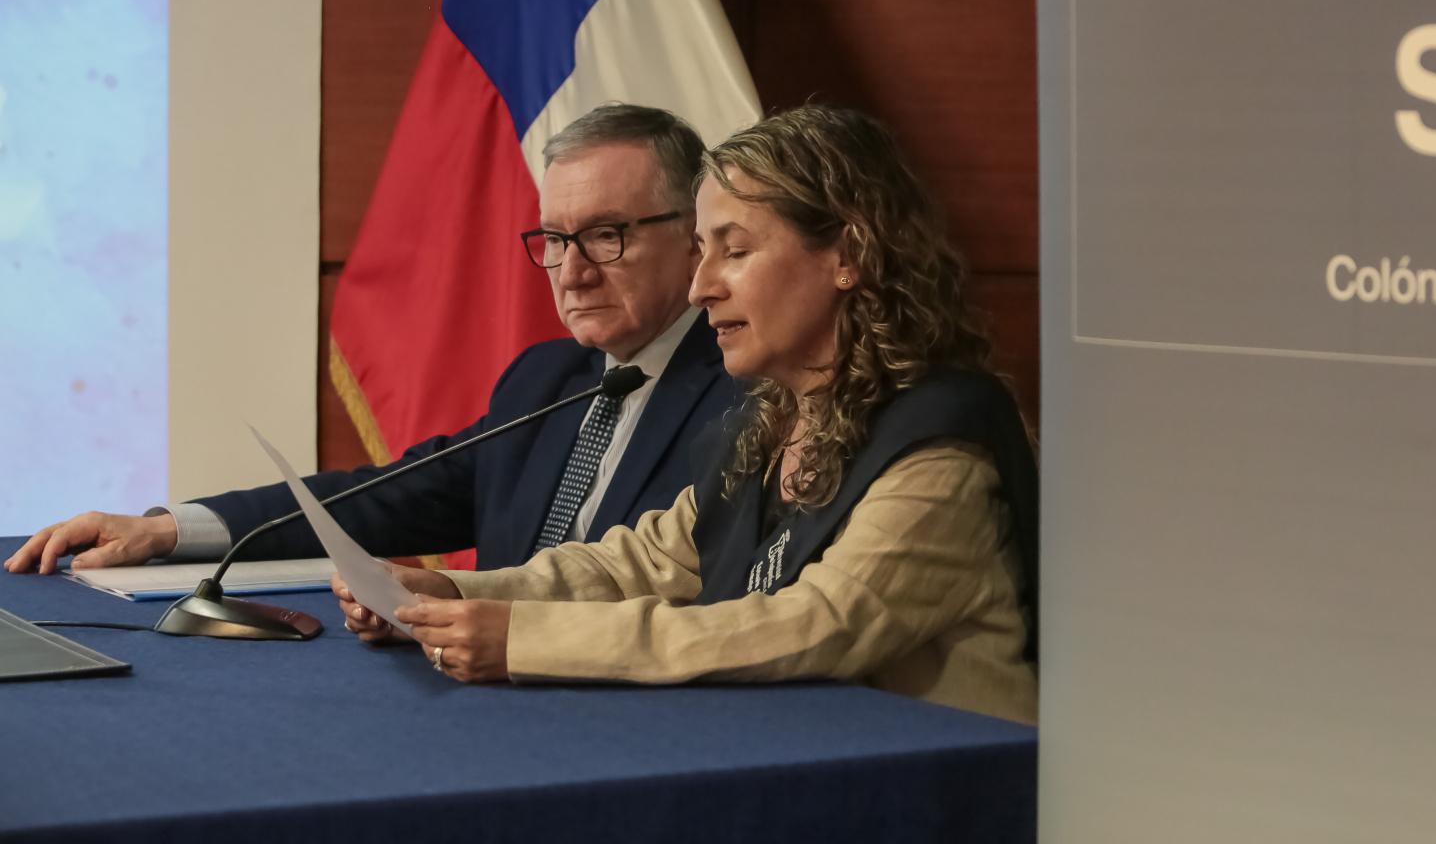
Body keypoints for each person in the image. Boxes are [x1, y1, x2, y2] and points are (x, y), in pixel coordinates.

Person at [336, 106, 1039, 724]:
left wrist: (521, 639)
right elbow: (639, 564)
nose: (701, 288)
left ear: (847, 256)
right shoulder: (772, 422)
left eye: (735, 251)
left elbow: (815, 626)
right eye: (703, 251)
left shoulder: (942, 449)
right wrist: (448, 595)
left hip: (945, 795)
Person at [5, 103, 747, 576]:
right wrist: (169, 530)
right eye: (555, 239)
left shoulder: (751, 394)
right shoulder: (548, 379)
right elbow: (384, 497)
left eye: (606, 235)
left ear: (695, 237)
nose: (573, 272)